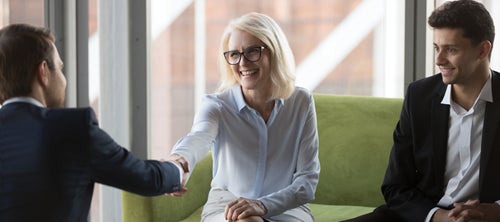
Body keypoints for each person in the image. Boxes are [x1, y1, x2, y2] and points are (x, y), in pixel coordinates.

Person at [0, 24, 188, 221]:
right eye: (60, 68)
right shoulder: (72, 128)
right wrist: (176, 170)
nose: (64, 80)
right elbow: (145, 178)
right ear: (43, 72)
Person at [344, 0, 500, 221]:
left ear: (483, 50)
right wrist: (439, 217)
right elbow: (395, 186)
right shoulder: (419, 96)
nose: (439, 60)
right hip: (424, 215)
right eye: (437, 48)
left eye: (451, 49)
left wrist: (495, 212)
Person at [168, 12, 320, 222]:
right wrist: (176, 164)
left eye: (252, 51)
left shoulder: (301, 102)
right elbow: (197, 139)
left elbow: (307, 182)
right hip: (226, 207)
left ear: (274, 53)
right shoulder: (216, 106)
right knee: (246, 220)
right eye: (234, 54)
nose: (243, 63)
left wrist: (262, 205)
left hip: (286, 209)